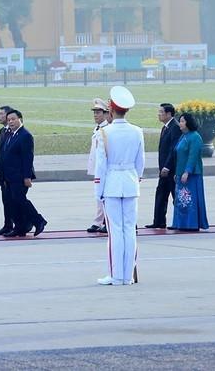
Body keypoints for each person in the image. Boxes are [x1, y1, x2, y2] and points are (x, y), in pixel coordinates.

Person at [94, 86, 144, 286]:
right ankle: (127, 275)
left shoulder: (105, 132)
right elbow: (140, 163)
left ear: (111, 110)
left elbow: (101, 165)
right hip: (130, 182)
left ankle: (116, 275)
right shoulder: (137, 131)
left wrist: (99, 191)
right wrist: (135, 179)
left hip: (112, 183)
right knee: (129, 229)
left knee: (115, 231)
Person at [1, 109, 47, 237]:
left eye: (13, 119)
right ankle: (20, 227)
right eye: (9, 120)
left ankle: (38, 220)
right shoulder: (11, 134)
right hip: (9, 176)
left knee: (20, 200)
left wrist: (27, 176)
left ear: (20, 119)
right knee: (12, 202)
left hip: (20, 176)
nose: (11, 122)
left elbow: (28, 158)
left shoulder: (25, 135)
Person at [170, 112, 209, 231]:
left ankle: (191, 223)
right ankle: (180, 223)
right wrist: (177, 173)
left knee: (188, 199)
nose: (180, 123)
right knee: (181, 200)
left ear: (188, 123)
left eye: (182, 121)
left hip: (191, 175)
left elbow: (193, 156)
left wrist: (187, 172)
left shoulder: (195, 137)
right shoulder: (183, 136)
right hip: (180, 173)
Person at [146, 103, 181, 229]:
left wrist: (167, 166)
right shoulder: (165, 127)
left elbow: (173, 149)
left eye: (161, 112)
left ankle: (180, 221)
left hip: (171, 169)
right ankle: (159, 221)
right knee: (161, 194)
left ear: (169, 114)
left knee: (176, 196)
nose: (159, 114)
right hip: (164, 169)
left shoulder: (175, 127)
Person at [0, 105, 16, 236]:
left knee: (14, 200)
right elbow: (0, 152)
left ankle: (20, 224)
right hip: (3, 172)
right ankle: (7, 225)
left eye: (1, 114)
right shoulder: (2, 131)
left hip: (12, 173)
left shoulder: (13, 131)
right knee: (6, 200)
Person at [86, 98, 110, 234]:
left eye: (99, 112)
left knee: (104, 196)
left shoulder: (107, 129)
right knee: (98, 196)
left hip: (103, 169)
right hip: (97, 167)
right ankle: (98, 221)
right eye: (94, 112)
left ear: (106, 114)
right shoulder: (98, 128)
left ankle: (105, 221)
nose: (96, 115)